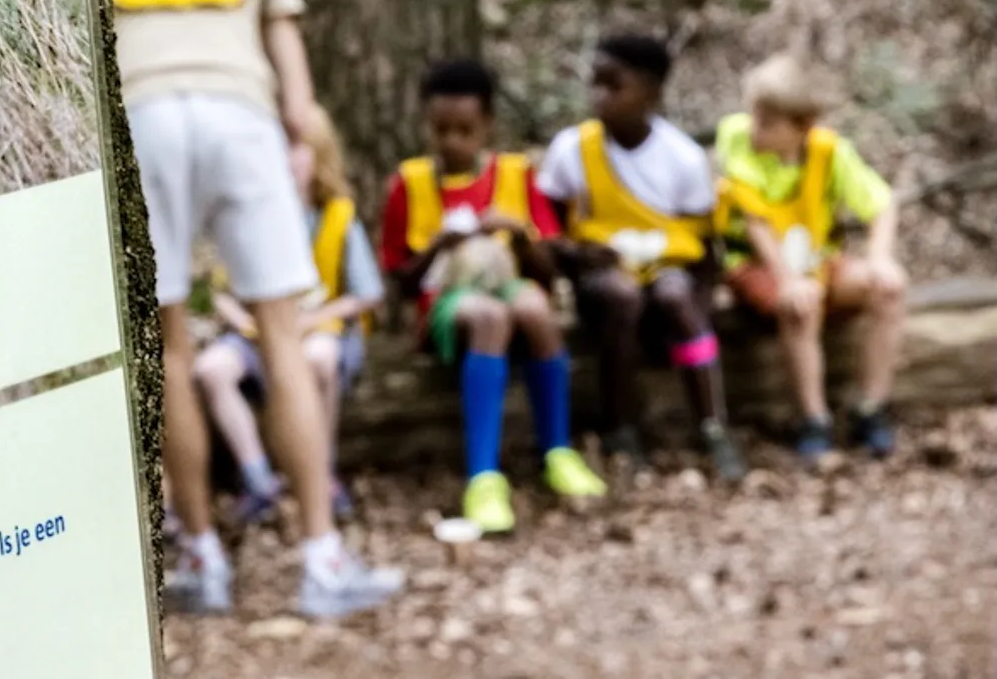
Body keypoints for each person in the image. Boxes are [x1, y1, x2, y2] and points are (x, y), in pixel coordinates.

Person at [104, 0, 404, 619]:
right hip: (241, 120)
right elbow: (298, 111)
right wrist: (294, 145)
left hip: (143, 119)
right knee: (283, 338)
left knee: (169, 349)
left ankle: (202, 558)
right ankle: (322, 560)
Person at [378, 59, 608, 533]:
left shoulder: (515, 174)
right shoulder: (409, 183)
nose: (451, 141)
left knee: (533, 308)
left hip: (508, 282)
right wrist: (437, 247)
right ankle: (483, 477)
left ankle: (558, 451)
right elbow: (400, 278)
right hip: (445, 298)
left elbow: (546, 273)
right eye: (440, 130)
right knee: (490, 317)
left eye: (464, 130)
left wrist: (519, 234)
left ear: (487, 126)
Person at [536, 32, 748, 482]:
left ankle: (712, 425)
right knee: (621, 295)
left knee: (676, 297)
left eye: (614, 85)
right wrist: (577, 255)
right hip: (603, 281)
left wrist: (702, 305)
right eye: (595, 83)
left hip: (668, 272)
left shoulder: (682, 157)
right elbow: (548, 229)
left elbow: (704, 246)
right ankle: (621, 426)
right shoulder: (572, 149)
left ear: (651, 93)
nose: (600, 96)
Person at [194, 102, 384, 528]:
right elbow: (221, 292)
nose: (283, 160)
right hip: (256, 335)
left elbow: (367, 294)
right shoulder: (245, 220)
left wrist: (308, 322)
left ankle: (321, 474)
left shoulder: (338, 216)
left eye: (294, 148)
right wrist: (243, 322)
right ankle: (259, 479)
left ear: (320, 155)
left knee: (319, 358)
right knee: (211, 369)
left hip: (319, 330)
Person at [712, 53, 908, 462]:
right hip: (757, 265)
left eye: (768, 124)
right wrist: (788, 280)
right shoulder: (736, 138)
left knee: (889, 289)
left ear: (803, 126)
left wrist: (879, 258)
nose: (756, 129)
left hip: (816, 261)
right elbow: (756, 223)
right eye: (754, 117)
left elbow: (881, 204)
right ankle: (813, 418)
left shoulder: (829, 151)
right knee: (802, 304)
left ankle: (871, 407)